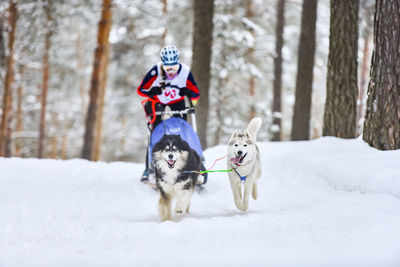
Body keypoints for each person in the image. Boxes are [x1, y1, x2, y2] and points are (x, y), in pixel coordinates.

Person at [137, 45, 200, 181]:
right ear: (163, 65)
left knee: (182, 131)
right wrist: (151, 91)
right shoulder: (156, 71)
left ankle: (188, 163)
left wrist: (188, 92)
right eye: (167, 68)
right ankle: (149, 168)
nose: (171, 71)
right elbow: (141, 89)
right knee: (155, 132)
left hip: (177, 101)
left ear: (178, 63)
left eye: (174, 67)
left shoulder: (185, 71)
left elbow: (196, 93)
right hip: (159, 101)